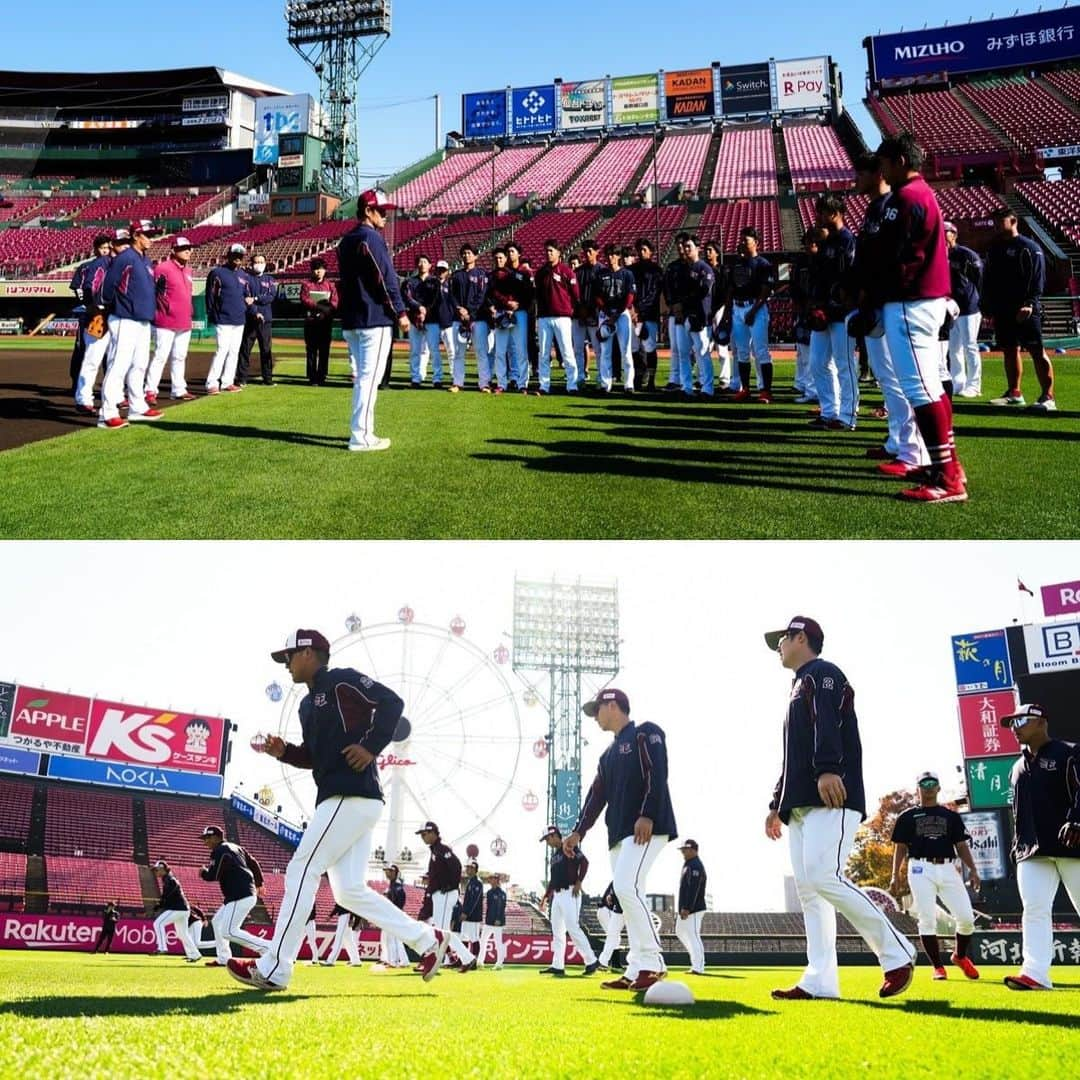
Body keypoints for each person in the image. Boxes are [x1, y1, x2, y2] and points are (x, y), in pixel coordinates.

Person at [227, 628, 449, 991]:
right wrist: (285, 752)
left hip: (351, 795)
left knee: (302, 867)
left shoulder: (342, 682)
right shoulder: (304, 705)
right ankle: (427, 940)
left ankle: (275, 967)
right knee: (348, 892)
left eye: (289, 656)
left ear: (311, 654)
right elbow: (314, 758)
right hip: (344, 799)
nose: (286, 664)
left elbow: (392, 702)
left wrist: (372, 747)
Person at [763, 616, 917, 1001]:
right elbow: (791, 755)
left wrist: (829, 768)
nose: (778, 647)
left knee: (823, 875)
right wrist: (775, 804)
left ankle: (897, 952)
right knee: (810, 890)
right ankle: (819, 981)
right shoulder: (798, 685)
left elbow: (827, 725)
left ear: (800, 637)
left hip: (831, 794)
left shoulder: (822, 673)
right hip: (801, 802)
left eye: (782, 639)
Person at [562, 688, 676, 993]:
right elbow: (596, 796)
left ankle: (653, 963)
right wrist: (578, 831)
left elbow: (658, 772)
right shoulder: (607, 754)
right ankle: (636, 968)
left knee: (625, 888)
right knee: (629, 895)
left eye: (597, 710)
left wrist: (648, 813)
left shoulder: (644, 733)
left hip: (646, 826)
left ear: (612, 705)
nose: (595, 717)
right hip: (618, 834)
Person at [875, 134, 967, 503]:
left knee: (921, 389)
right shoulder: (922, 193)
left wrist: (871, 293)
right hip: (923, 300)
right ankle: (949, 466)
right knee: (929, 385)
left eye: (884, 162)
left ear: (899, 160)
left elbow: (892, 256)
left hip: (910, 301)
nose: (881, 170)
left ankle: (946, 478)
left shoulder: (907, 196)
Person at [851, 153, 928, 479]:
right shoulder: (874, 208)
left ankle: (914, 450)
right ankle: (897, 440)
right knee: (886, 377)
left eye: (861, 173)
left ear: (877, 173)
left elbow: (890, 257)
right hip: (876, 301)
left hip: (892, 301)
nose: (856, 180)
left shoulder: (892, 204)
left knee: (900, 379)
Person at [1000, 703, 1080, 990]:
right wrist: (1016, 846)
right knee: (1033, 909)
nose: (1014, 728)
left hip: (1072, 845)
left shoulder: (1069, 752)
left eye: (1020, 721)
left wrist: (1077, 820)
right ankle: (1034, 973)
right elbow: (1017, 811)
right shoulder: (1016, 766)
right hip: (1032, 852)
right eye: (1011, 723)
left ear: (1040, 722)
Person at [336, 189, 411, 453]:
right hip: (373, 318)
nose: (385, 216)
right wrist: (401, 312)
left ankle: (361, 432)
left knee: (362, 379)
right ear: (368, 211)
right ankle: (362, 436)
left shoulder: (345, 240)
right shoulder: (372, 238)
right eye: (381, 211)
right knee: (369, 379)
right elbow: (386, 279)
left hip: (352, 319)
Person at [890, 772, 980, 981]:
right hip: (920, 867)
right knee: (926, 918)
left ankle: (959, 955)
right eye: (924, 783)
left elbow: (961, 845)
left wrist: (973, 870)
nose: (929, 787)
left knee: (966, 919)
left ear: (939, 788)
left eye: (933, 783)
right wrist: (895, 874)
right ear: (917, 788)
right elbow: (900, 847)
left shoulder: (950, 816)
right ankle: (938, 967)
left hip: (948, 867)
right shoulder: (908, 816)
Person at [982, 209, 1055, 411]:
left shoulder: (1029, 247)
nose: (996, 225)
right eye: (993, 221)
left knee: (1036, 350)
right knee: (1009, 349)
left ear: (1013, 221)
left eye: (1000, 221)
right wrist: (988, 305)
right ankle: (1014, 393)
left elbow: (1037, 278)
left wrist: (1030, 303)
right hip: (1002, 309)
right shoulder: (994, 249)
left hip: (1025, 308)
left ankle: (1048, 397)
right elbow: (988, 279)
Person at [99, 220, 164, 428]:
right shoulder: (125, 258)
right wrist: (113, 307)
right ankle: (106, 413)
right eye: (148, 235)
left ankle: (137, 407)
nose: (151, 239)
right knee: (119, 364)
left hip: (142, 320)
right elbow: (107, 287)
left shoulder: (144, 260)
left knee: (139, 365)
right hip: (124, 318)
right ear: (136, 236)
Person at [807, 194, 858, 430]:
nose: (817, 217)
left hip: (842, 312)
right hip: (823, 312)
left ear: (835, 214)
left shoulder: (849, 240)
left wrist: (846, 305)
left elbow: (848, 277)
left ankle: (848, 415)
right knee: (818, 362)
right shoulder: (825, 242)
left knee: (844, 364)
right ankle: (830, 411)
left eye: (821, 212)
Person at [197, 824, 270, 968]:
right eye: (204, 838)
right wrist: (259, 882)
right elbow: (253, 862)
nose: (205, 841)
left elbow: (213, 875)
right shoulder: (236, 847)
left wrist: (203, 873)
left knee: (229, 931)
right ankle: (224, 958)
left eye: (208, 838)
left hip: (239, 894)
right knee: (218, 922)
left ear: (217, 837)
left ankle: (268, 948)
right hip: (240, 893)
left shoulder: (220, 850)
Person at [538, 825, 599, 977]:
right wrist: (546, 897)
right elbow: (553, 880)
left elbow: (584, 863)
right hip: (557, 896)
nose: (547, 843)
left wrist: (579, 881)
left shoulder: (569, 846)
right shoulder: (554, 857)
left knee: (572, 926)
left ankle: (591, 960)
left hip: (571, 891)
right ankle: (557, 965)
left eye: (547, 839)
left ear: (553, 836)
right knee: (557, 932)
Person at [416, 820, 476, 972]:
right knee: (441, 931)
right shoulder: (435, 850)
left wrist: (450, 885)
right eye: (421, 835)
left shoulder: (442, 849)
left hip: (446, 894)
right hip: (440, 894)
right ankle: (467, 958)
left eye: (425, 834)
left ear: (433, 833)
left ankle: (463, 958)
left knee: (441, 932)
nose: (422, 837)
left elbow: (456, 866)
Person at [145, 236, 195, 404]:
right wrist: (159, 310)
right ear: (174, 250)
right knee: (160, 356)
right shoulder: (162, 268)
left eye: (189, 248)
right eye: (184, 248)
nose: (188, 251)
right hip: (165, 320)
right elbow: (152, 292)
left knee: (180, 356)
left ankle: (179, 389)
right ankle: (150, 390)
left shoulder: (188, 270)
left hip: (184, 321)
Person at [727, 227, 775, 403]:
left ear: (756, 243)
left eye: (746, 240)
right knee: (741, 352)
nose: (742, 243)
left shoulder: (763, 264)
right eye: (741, 240)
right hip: (738, 308)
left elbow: (765, 290)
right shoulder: (738, 264)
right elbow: (731, 289)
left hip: (755, 307)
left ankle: (766, 391)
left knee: (761, 351)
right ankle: (745, 388)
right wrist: (728, 311)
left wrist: (753, 311)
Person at [71, 233, 114, 415]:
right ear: (96, 249)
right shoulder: (86, 266)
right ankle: (78, 388)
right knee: (85, 352)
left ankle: (112, 393)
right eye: (102, 248)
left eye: (107, 248)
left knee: (109, 357)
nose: (105, 251)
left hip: (109, 314)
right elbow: (79, 289)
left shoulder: (113, 264)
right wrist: (89, 306)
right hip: (91, 315)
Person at [533, 238, 580, 395]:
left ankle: (572, 385)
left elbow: (576, 295)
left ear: (559, 253)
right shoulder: (540, 273)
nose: (548, 253)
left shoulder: (567, 271)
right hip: (545, 317)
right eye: (546, 251)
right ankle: (544, 386)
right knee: (544, 353)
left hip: (562, 317)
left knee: (567, 351)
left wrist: (571, 310)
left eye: (551, 250)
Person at [204, 243, 251, 395]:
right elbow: (210, 296)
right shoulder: (217, 272)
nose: (238, 258)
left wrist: (248, 303)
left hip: (239, 318)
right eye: (235, 255)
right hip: (223, 318)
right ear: (228, 255)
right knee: (222, 350)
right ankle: (212, 383)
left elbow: (246, 295)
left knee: (234, 351)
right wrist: (212, 314)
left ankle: (227, 381)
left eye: (240, 255)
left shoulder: (244, 275)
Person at [943, 223, 983, 399]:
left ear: (954, 234)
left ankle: (974, 385)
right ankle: (958, 382)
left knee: (970, 346)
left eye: (946, 232)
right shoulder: (940, 254)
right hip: (951, 307)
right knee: (954, 348)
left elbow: (979, 276)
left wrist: (978, 299)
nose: (943, 235)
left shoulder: (965, 254)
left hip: (968, 306)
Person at [675, 235, 715, 400]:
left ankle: (707, 389)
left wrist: (685, 301)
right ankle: (687, 387)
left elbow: (703, 291)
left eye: (689, 246)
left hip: (699, 317)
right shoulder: (683, 270)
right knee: (683, 353)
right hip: (684, 316)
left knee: (702, 353)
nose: (685, 249)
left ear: (697, 248)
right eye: (684, 247)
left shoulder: (704, 268)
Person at [449, 243, 492, 392]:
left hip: (478, 319)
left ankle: (484, 383)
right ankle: (457, 382)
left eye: (469, 253)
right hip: (458, 319)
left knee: (481, 352)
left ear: (475, 255)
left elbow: (481, 296)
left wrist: (469, 312)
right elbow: (451, 295)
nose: (466, 256)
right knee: (458, 352)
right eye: (464, 253)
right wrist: (459, 309)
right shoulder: (455, 275)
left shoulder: (481, 274)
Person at [596, 245, 636, 394]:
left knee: (626, 350)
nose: (611, 257)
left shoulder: (627, 274)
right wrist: (608, 313)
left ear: (619, 256)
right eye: (608, 254)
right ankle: (606, 384)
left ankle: (628, 384)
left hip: (622, 314)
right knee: (605, 351)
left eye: (613, 254)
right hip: (606, 314)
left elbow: (630, 297)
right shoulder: (601, 274)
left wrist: (616, 314)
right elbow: (598, 296)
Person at [238, 253, 280, 387]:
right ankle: (242, 378)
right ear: (251, 263)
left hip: (265, 321)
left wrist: (256, 299)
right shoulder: (246, 279)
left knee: (266, 349)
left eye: (262, 261)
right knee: (245, 350)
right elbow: (245, 297)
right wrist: (254, 309)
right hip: (250, 319)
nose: (259, 264)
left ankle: (267, 378)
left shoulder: (270, 280)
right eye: (256, 262)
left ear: (266, 263)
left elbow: (271, 296)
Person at [151, 860, 201, 961]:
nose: (155, 872)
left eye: (157, 870)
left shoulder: (170, 879)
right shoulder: (167, 879)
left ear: (163, 869)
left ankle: (162, 947)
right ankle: (195, 954)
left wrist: (160, 905)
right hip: (183, 909)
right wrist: (160, 904)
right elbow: (167, 896)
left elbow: (167, 896)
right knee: (182, 934)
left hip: (178, 909)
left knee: (158, 923)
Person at [789, 229, 818, 404]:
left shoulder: (823, 261)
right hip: (803, 311)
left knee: (818, 357)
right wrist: (799, 305)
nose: (809, 246)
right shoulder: (801, 263)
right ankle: (809, 388)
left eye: (812, 242)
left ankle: (814, 390)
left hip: (819, 310)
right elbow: (794, 286)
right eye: (807, 242)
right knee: (804, 352)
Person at [631, 237, 664, 391]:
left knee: (650, 347)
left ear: (651, 252)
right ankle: (639, 375)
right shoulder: (632, 270)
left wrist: (639, 310)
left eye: (644, 249)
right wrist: (633, 309)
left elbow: (654, 294)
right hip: (633, 315)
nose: (641, 252)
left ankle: (651, 379)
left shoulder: (656, 270)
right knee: (634, 348)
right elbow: (630, 292)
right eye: (639, 250)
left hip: (649, 314)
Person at [300, 258, 338, 386]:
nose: (318, 272)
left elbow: (335, 302)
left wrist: (324, 311)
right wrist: (319, 307)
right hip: (311, 321)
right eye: (316, 269)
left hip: (325, 321)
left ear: (325, 270)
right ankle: (312, 376)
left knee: (324, 349)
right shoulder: (306, 284)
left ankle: (322, 375)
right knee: (311, 349)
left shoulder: (330, 285)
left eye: (321, 269)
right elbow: (304, 299)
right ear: (312, 271)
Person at [485, 247, 517, 394]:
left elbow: (518, 292)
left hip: (512, 313)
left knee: (514, 349)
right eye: (496, 258)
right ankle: (501, 381)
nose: (498, 260)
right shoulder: (489, 276)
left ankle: (515, 378)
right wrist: (491, 307)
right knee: (499, 350)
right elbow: (487, 294)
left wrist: (512, 306)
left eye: (501, 258)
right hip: (498, 314)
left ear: (506, 259)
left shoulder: (512, 275)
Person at [702, 239, 732, 392]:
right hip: (706, 310)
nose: (707, 253)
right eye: (706, 250)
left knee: (722, 346)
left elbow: (727, 292)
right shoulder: (703, 270)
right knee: (703, 347)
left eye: (710, 250)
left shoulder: (723, 270)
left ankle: (725, 379)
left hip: (719, 309)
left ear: (717, 253)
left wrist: (723, 310)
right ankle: (703, 378)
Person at [662, 234, 691, 392]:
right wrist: (671, 305)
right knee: (675, 347)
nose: (681, 249)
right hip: (675, 312)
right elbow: (667, 289)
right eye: (678, 246)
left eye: (683, 245)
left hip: (691, 312)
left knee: (696, 348)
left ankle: (698, 379)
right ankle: (675, 378)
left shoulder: (695, 266)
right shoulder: (672, 267)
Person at [572, 240, 603, 384]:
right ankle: (580, 375)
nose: (587, 254)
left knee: (598, 348)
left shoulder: (602, 271)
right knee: (578, 347)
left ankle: (601, 376)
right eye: (585, 251)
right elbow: (574, 293)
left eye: (590, 250)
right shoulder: (578, 272)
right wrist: (580, 308)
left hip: (595, 315)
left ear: (597, 252)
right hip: (579, 315)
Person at [404, 254, 436, 388]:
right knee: (415, 350)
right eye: (420, 262)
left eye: (425, 261)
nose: (422, 264)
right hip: (414, 319)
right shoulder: (410, 282)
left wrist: (426, 311)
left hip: (430, 320)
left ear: (430, 265)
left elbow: (435, 299)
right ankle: (415, 377)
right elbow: (407, 297)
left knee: (428, 350)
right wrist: (419, 308)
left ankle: (424, 374)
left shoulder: (434, 281)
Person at [675, 839, 707, 976]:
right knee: (679, 931)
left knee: (693, 935)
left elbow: (694, 888)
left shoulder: (695, 865)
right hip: (686, 908)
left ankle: (698, 966)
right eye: (682, 849)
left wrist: (687, 907)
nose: (683, 851)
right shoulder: (688, 864)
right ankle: (696, 958)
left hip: (694, 908)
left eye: (686, 849)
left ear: (694, 850)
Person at [505, 242, 534, 392]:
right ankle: (513, 379)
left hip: (521, 312)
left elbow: (530, 295)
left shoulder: (525, 273)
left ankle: (523, 382)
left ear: (518, 254)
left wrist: (518, 304)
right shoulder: (504, 272)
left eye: (512, 251)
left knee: (521, 348)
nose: (510, 254)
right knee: (509, 348)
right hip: (505, 312)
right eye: (508, 251)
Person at [426, 260, 457, 391]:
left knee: (452, 351)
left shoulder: (451, 284)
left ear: (448, 271)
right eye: (439, 269)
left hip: (448, 321)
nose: (441, 272)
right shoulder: (430, 284)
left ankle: (455, 377)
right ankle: (437, 378)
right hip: (432, 321)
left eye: (443, 270)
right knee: (434, 351)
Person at [378, 864, 409, 969]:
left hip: (395, 916)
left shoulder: (397, 887)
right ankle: (402, 961)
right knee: (393, 939)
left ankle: (394, 961)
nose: (387, 873)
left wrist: (395, 914)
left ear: (395, 873)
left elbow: (400, 901)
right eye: (386, 871)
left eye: (390, 871)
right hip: (391, 916)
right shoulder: (391, 886)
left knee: (393, 939)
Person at [478, 875, 507, 970]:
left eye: (493, 879)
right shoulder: (489, 892)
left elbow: (501, 907)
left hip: (497, 922)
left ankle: (499, 963)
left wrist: (498, 918)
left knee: (498, 943)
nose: (491, 880)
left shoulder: (501, 893)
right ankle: (480, 962)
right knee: (482, 941)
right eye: (490, 879)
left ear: (497, 881)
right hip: (488, 921)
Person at [595, 881, 625, 972]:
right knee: (613, 936)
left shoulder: (622, 878)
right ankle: (604, 963)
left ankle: (614, 964)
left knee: (615, 937)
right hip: (607, 910)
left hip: (609, 911)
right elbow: (611, 898)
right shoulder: (620, 879)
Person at [460, 860, 484, 958]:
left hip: (473, 916)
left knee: (474, 938)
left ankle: (474, 960)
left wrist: (466, 913)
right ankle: (464, 958)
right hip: (467, 916)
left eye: (470, 868)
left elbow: (475, 901)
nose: (467, 870)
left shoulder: (478, 883)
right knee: (464, 937)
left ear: (475, 870)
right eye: (467, 868)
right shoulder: (470, 882)